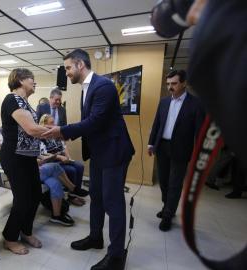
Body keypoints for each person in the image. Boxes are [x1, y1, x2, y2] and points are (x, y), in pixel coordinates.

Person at [43, 49, 135, 270]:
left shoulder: (102, 86)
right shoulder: (87, 87)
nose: (66, 73)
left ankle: (115, 257)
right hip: (99, 153)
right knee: (96, 196)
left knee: (113, 203)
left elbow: (95, 122)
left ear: (80, 65)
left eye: (67, 68)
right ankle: (95, 237)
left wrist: (61, 131)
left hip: (113, 152)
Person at [148, 70, 205, 232]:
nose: (170, 87)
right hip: (162, 147)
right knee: (164, 181)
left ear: (184, 83)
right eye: (168, 84)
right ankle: (167, 205)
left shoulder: (196, 104)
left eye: (174, 83)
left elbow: (200, 131)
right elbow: (157, 124)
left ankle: (168, 215)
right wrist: (151, 144)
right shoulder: (164, 102)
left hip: (181, 149)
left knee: (175, 183)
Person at [0, 68, 49, 255]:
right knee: (22, 199)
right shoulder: (12, 99)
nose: (35, 82)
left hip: (27, 157)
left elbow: (33, 130)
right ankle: (10, 237)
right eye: (32, 79)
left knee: (36, 194)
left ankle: (26, 231)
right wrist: (60, 131)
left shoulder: (26, 103)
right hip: (14, 157)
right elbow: (31, 129)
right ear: (20, 80)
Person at [39, 114, 88, 206]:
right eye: (51, 123)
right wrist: (60, 157)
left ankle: (75, 191)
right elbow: (44, 154)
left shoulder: (55, 132)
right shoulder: (42, 136)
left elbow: (64, 146)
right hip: (52, 161)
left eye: (54, 122)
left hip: (62, 158)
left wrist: (68, 157)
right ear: (44, 124)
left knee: (80, 166)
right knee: (72, 170)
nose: (54, 124)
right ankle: (70, 196)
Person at [38, 162, 75, 226]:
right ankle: (73, 189)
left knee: (55, 183)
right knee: (55, 166)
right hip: (31, 172)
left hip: (39, 170)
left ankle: (56, 216)